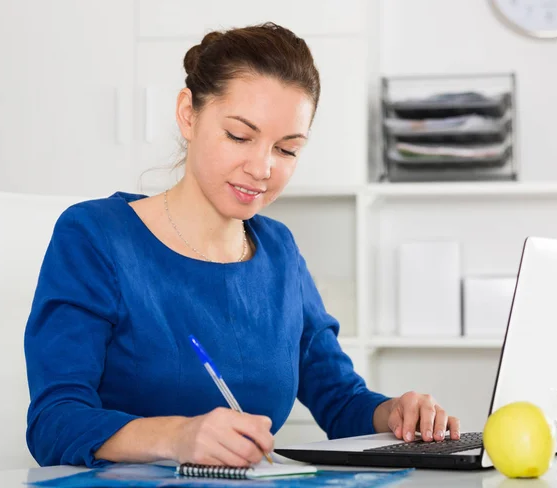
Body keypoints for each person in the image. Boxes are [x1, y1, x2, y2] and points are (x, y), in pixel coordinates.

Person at [24, 22, 460, 469]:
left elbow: (339, 398)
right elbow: (55, 421)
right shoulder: (94, 236)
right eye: (239, 136)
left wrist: (396, 414)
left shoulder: (279, 251)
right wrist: (179, 436)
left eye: (287, 149)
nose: (262, 168)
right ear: (187, 114)